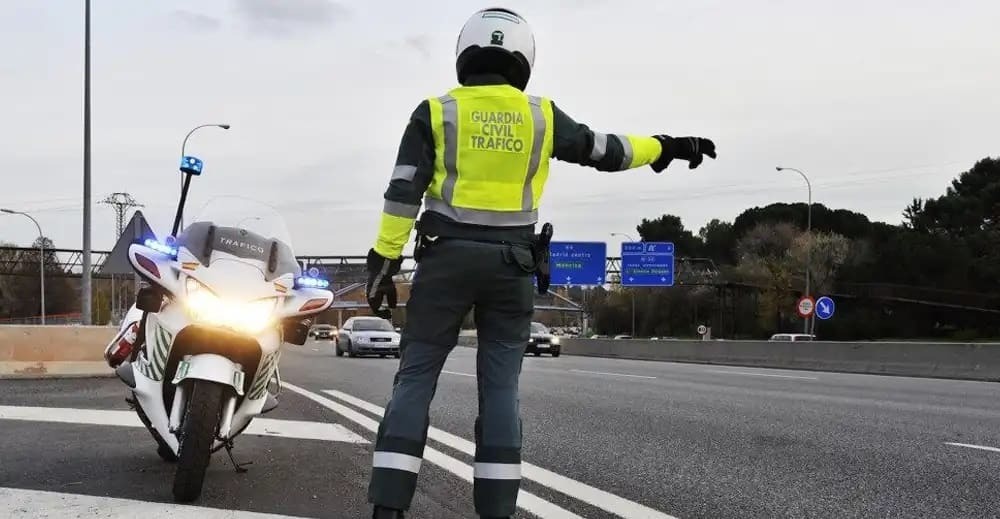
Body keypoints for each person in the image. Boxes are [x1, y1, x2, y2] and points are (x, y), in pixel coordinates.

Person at [364, 7, 717, 518]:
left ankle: (389, 509)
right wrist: (665, 145)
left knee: (416, 379)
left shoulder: (435, 111)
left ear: (465, 54)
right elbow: (607, 150)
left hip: (444, 261)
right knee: (501, 388)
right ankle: (497, 511)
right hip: (512, 266)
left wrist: (385, 257)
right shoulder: (541, 115)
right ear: (524, 59)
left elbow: (403, 192)